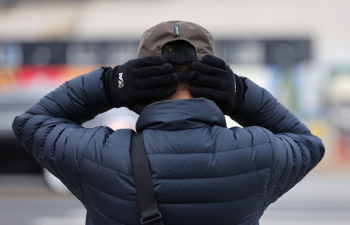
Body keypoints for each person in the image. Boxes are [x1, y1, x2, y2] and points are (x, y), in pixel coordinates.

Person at [12, 21, 325, 225]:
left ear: (140, 78)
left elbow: (33, 123)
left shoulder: (96, 155)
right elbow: (307, 144)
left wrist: (110, 84)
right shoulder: (258, 152)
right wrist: (239, 94)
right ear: (213, 76)